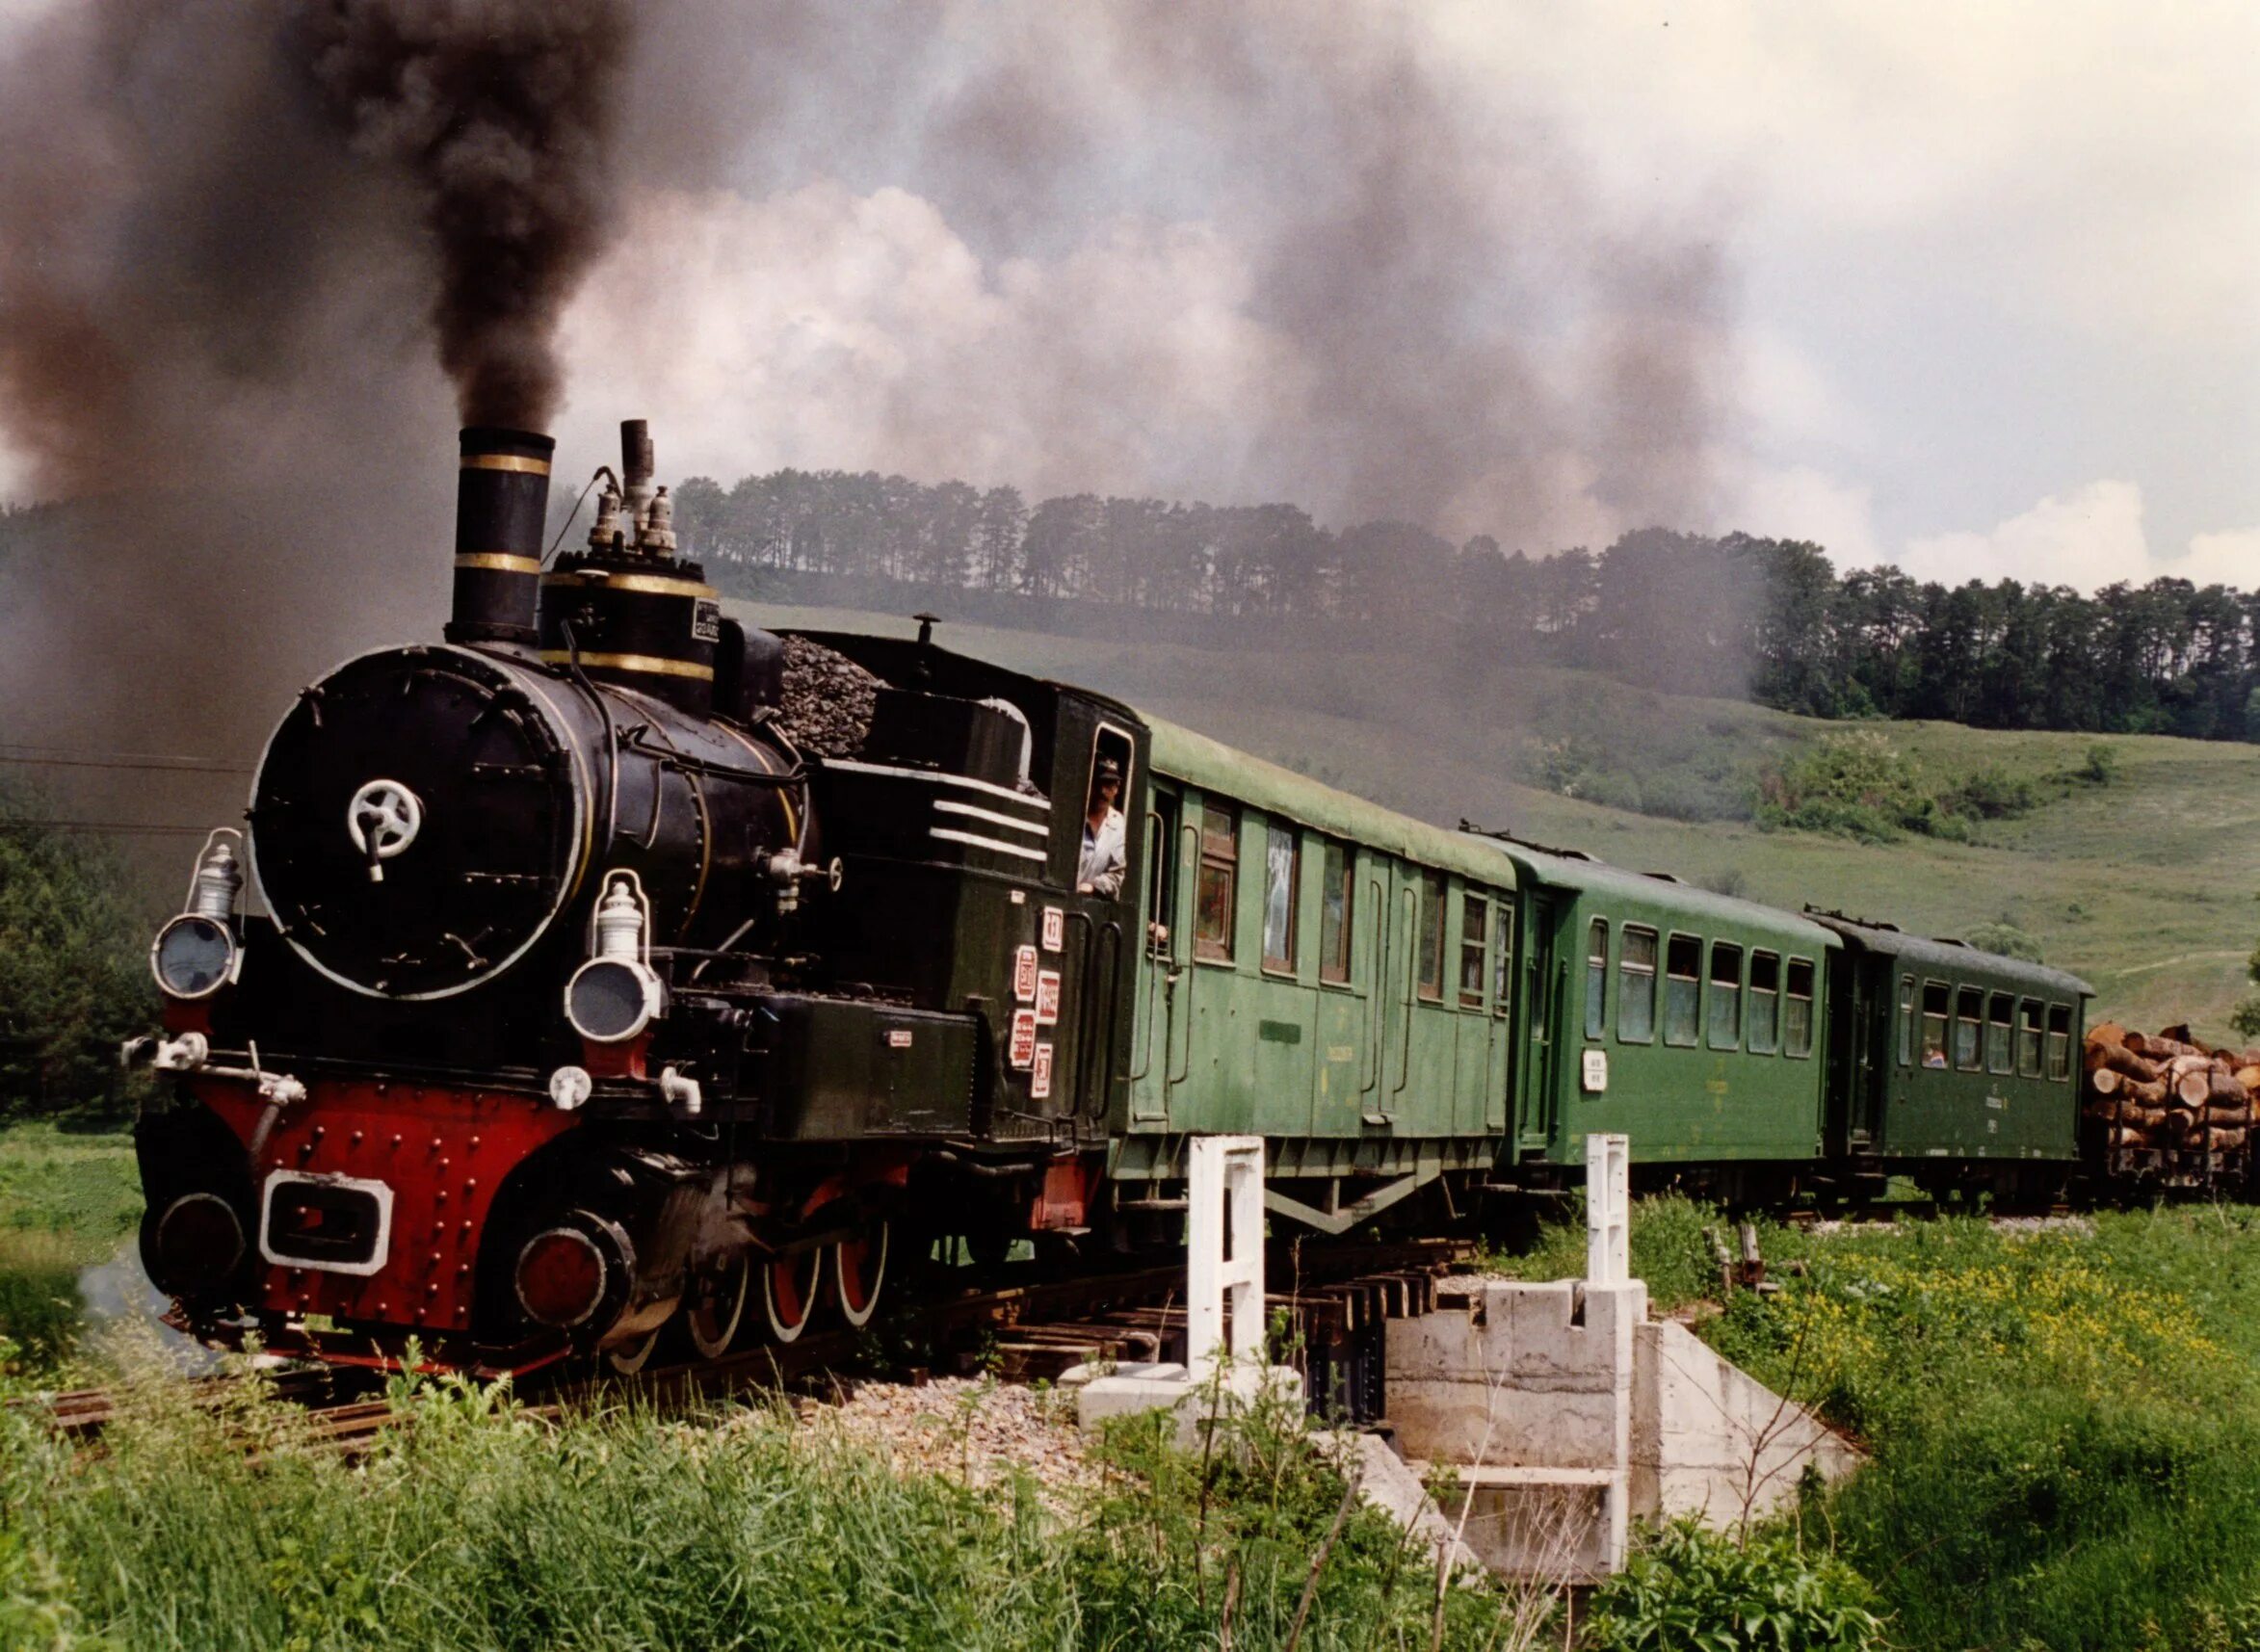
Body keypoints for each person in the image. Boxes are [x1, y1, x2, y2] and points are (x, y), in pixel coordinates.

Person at [1078, 758, 1126, 897]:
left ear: (1116, 789)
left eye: (1109, 786)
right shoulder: (1076, 815)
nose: (1103, 791)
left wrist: (1094, 886)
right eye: (1099, 784)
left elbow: (1117, 874)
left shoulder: (1117, 823)